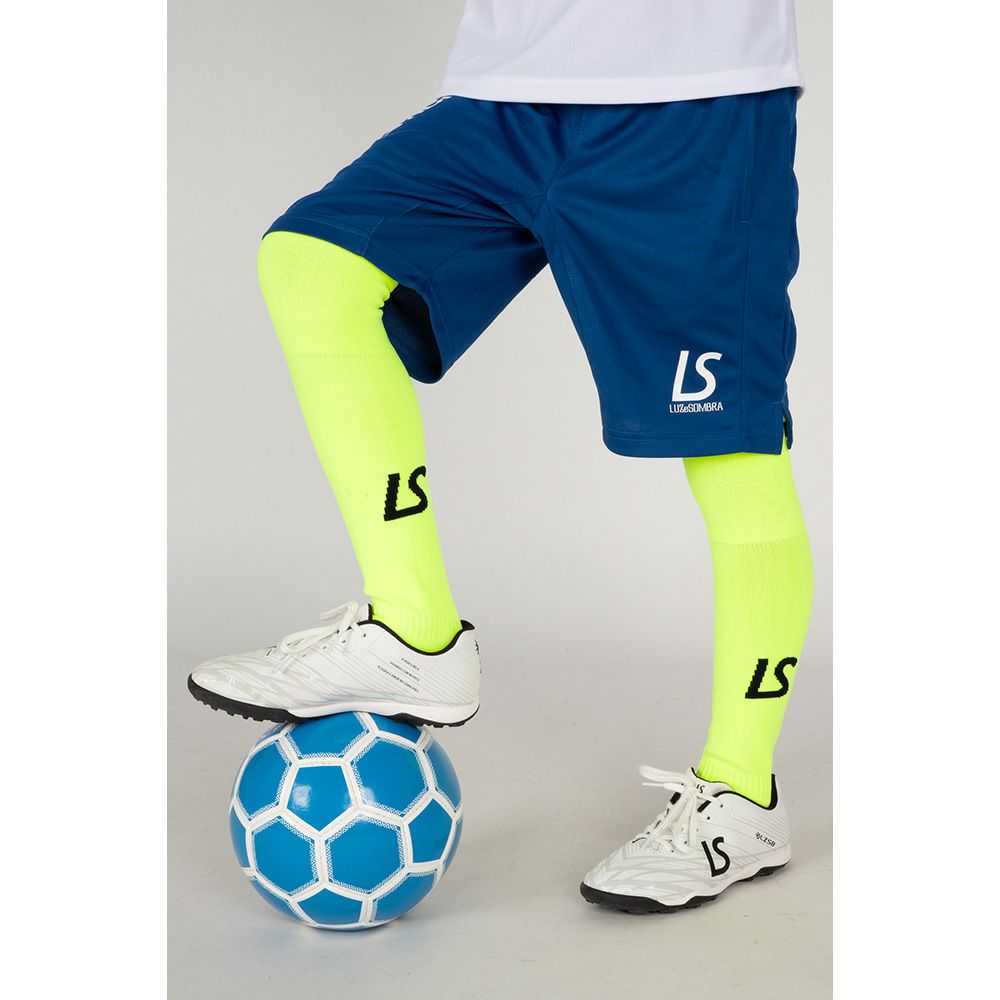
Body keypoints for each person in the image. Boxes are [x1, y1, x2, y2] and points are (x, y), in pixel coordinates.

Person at [188, 0, 814, 914]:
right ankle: (415, 631)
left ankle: (742, 795)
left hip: (693, 104)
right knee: (313, 265)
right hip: (511, 89)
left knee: (732, 443)